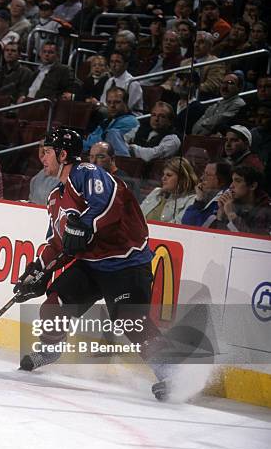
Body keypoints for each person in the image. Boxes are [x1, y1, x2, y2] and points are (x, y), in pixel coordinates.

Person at [14, 127, 173, 400]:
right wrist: (38, 269)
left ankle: (172, 373)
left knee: (130, 320)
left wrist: (86, 226)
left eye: (48, 152)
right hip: (91, 264)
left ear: (63, 154)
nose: (43, 158)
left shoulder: (87, 173)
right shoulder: (55, 196)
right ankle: (50, 350)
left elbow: (109, 203)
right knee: (52, 307)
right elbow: (57, 241)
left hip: (126, 263)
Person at [211, 166, 271, 236]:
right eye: (232, 181)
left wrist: (231, 214)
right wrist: (221, 214)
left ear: (252, 186)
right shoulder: (234, 204)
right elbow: (217, 239)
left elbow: (254, 242)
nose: (231, 186)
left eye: (238, 181)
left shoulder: (266, 209)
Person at [83, 86, 139, 157]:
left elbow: (102, 142)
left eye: (117, 102)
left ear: (125, 103)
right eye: (109, 102)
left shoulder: (130, 121)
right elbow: (90, 140)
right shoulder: (107, 120)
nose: (112, 105)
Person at [140, 157, 198, 224]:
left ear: (182, 178)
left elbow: (178, 225)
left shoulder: (191, 200)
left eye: (169, 175)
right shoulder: (156, 192)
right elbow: (137, 215)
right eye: (163, 174)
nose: (163, 178)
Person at [28, 140, 59, 205]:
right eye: (41, 147)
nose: (42, 156)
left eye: (47, 152)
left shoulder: (75, 182)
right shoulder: (36, 179)